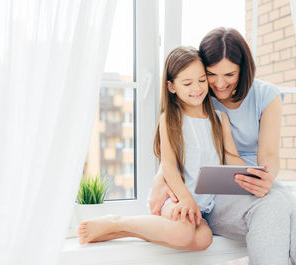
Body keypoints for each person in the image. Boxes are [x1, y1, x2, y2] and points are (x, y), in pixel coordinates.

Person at [149, 28, 296, 265]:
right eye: (210, 74)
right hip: (216, 191)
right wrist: (160, 178)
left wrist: (266, 178)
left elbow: (268, 155)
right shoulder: (199, 95)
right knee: (275, 207)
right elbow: (182, 147)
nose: (219, 83)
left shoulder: (265, 95)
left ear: (243, 69)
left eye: (229, 74)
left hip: (252, 178)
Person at [78, 46, 245, 250]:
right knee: (182, 233)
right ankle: (116, 221)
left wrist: (247, 173)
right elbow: (168, 166)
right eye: (187, 83)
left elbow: (231, 156)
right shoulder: (170, 120)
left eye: (202, 80)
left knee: (203, 240)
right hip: (175, 199)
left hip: (202, 206)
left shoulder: (220, 119)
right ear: (172, 87)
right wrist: (185, 199)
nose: (197, 88)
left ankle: (122, 231)